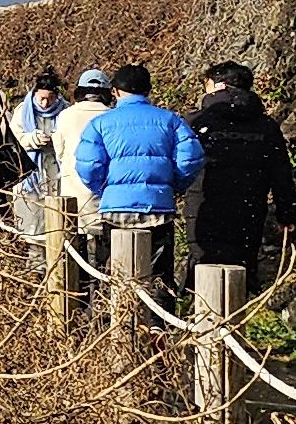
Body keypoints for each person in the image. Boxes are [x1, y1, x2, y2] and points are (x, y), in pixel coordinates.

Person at [72, 65, 204, 285]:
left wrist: (103, 189)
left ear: (114, 91)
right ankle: (155, 319)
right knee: (158, 278)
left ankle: (113, 318)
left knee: (112, 276)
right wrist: (173, 185)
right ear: (149, 90)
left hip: (115, 208)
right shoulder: (170, 120)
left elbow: (88, 165)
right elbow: (191, 158)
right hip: (157, 208)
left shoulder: (100, 123)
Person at [187, 62, 296, 285]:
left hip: (203, 204)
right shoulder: (266, 126)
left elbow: (181, 163)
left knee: (202, 264)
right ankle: (238, 316)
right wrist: (287, 212)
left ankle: (200, 316)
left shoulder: (196, 121)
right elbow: (280, 171)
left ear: (219, 86)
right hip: (249, 206)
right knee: (242, 266)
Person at [50, 69, 117, 235]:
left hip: (72, 194)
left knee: (74, 244)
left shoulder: (66, 115)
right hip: (105, 195)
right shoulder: (113, 116)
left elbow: (58, 152)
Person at [6, 70, 68, 239]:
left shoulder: (65, 111)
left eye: (50, 98)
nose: (45, 103)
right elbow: (13, 140)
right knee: (31, 226)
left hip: (56, 172)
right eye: (41, 98)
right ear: (34, 93)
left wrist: (55, 140)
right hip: (30, 176)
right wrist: (32, 139)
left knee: (56, 225)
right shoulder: (23, 112)